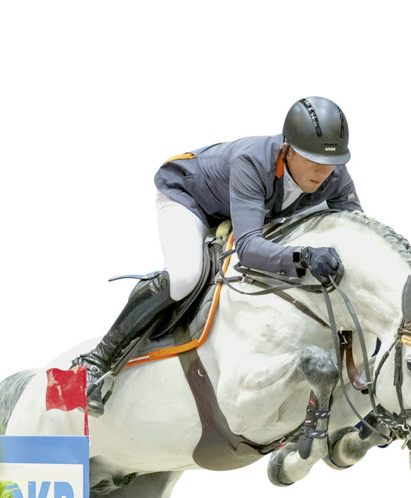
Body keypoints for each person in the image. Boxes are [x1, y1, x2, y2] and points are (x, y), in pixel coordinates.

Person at [73, 96, 366, 416]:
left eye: (333, 160)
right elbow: (249, 248)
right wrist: (304, 256)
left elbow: (360, 233)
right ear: (287, 148)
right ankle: (93, 364)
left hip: (244, 207)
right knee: (185, 277)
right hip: (188, 195)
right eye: (312, 158)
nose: (323, 170)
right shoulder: (252, 161)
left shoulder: (335, 174)